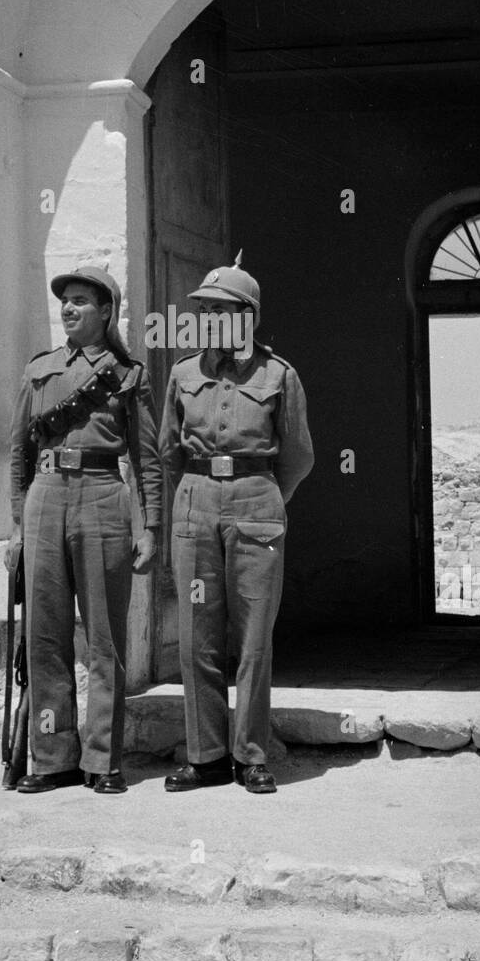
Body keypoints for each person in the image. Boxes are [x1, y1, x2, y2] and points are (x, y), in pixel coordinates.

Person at [159, 255, 313, 794]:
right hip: (195, 503)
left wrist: (264, 498)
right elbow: (167, 453)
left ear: (247, 317)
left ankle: (251, 754)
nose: (210, 320)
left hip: (256, 503)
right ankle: (205, 756)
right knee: (196, 636)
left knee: (252, 638)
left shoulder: (279, 375)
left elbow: (297, 455)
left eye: (222, 310)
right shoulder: (181, 373)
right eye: (204, 311)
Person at [6, 264, 161, 794]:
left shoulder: (128, 374)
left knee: (104, 640)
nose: (69, 309)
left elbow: (148, 461)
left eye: (80, 301)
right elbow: (20, 453)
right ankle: (51, 758)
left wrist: (150, 529)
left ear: (105, 311)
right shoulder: (39, 370)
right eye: (65, 301)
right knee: (44, 636)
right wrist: (18, 527)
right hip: (46, 500)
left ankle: (102, 760)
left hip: (101, 495)